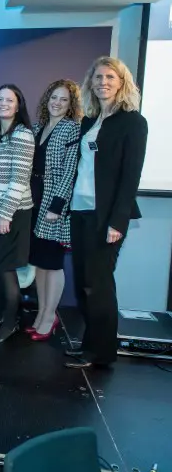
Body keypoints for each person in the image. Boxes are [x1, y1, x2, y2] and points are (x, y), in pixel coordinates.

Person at [66, 57, 147, 369]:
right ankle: (92, 344)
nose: (104, 82)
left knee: (97, 284)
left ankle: (100, 352)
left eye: (110, 77)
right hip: (80, 210)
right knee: (83, 283)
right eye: (98, 77)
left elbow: (130, 177)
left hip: (106, 216)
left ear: (122, 82)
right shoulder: (90, 121)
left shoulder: (133, 122)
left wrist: (118, 221)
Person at [0, 84, 35, 343]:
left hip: (11, 212)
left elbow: (19, 179)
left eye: (9, 100)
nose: (3, 103)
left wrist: (6, 214)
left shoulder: (22, 135)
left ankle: (11, 323)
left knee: (5, 269)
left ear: (18, 105)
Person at [27, 80, 82, 341]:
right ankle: (41, 313)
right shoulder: (37, 127)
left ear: (71, 105)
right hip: (32, 200)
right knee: (39, 263)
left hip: (53, 204)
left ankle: (50, 316)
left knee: (53, 263)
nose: (57, 103)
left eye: (63, 99)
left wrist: (57, 206)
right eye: (54, 98)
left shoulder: (72, 129)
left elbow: (71, 170)